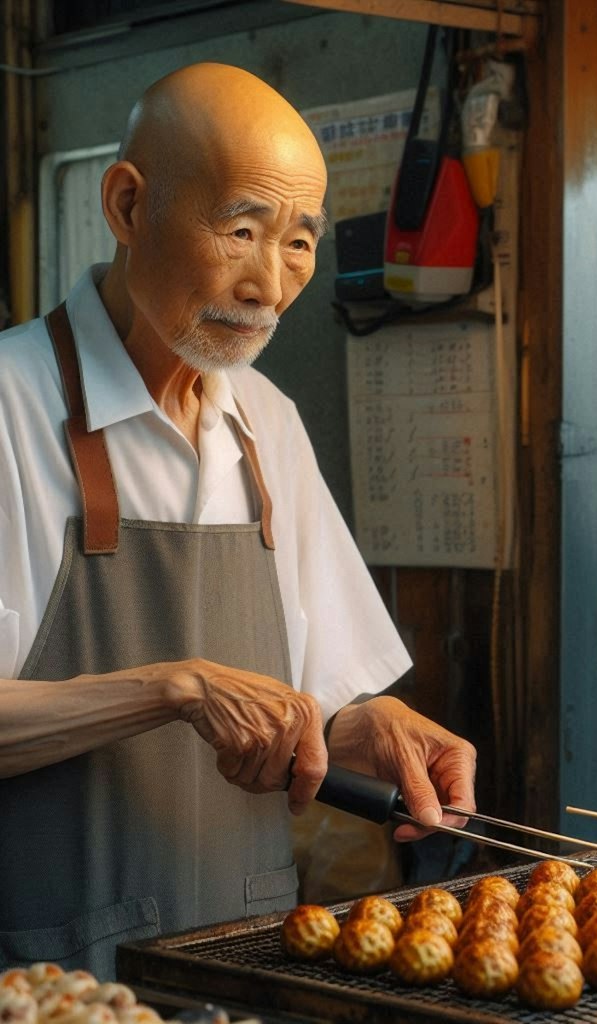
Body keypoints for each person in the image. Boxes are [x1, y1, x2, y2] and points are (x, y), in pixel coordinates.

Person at [0, 63, 476, 975]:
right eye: (241, 229)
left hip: (250, 964)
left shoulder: (267, 422)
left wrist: (365, 727)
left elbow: (308, 709)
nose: (270, 284)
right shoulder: (10, 407)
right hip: (52, 980)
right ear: (129, 206)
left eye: (299, 241)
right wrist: (169, 689)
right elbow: (197, 699)